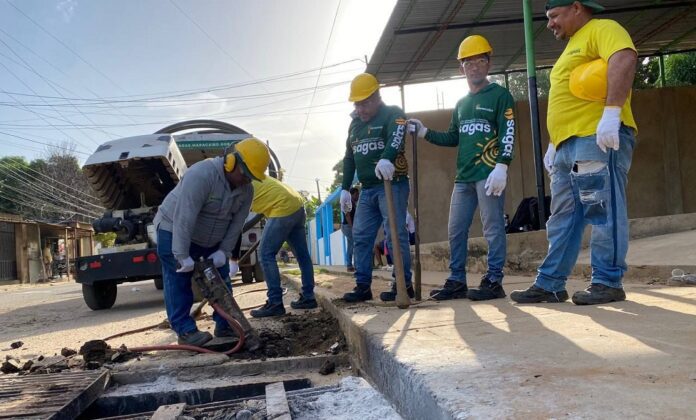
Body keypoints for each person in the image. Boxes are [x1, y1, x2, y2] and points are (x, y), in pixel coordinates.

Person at [511, 0, 638, 305]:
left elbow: (624, 58)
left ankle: (607, 281)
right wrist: (556, 142)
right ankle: (551, 283)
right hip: (568, 144)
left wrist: (611, 112)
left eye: (554, 16)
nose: (550, 23)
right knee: (563, 216)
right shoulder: (572, 47)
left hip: (596, 136)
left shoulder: (602, 29)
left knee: (602, 208)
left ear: (577, 7)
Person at [409, 35, 516, 301]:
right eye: (469, 62)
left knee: (493, 228)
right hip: (464, 178)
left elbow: (508, 132)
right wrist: (424, 132)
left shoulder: (501, 96)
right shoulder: (461, 104)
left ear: (489, 64)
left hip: (489, 175)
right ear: (461, 69)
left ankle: (494, 280)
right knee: (456, 230)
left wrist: (502, 165)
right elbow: (453, 137)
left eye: (480, 60)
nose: (475, 67)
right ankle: (457, 280)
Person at [154, 137, 270, 346]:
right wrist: (181, 255)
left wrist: (223, 252)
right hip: (174, 231)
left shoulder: (246, 190)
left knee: (222, 279)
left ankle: (225, 326)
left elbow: (237, 224)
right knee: (179, 281)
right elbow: (184, 217)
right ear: (231, 161)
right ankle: (185, 331)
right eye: (245, 174)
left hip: (209, 238)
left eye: (252, 177)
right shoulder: (201, 175)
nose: (247, 180)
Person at [339, 73, 413, 303]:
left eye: (364, 103)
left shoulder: (393, 113)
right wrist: (344, 187)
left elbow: (396, 137)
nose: (360, 109)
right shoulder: (355, 124)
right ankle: (362, 285)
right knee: (360, 236)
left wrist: (388, 157)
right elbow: (349, 157)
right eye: (356, 104)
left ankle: (403, 284)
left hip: (392, 185)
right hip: (368, 189)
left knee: (394, 235)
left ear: (376, 96)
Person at [248, 176, 317, 318]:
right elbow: (259, 215)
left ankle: (275, 303)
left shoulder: (240, 185)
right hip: (297, 205)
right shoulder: (255, 177)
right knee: (303, 256)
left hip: (283, 207)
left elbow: (236, 219)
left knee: (265, 254)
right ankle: (309, 297)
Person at [341, 187, 359, 272]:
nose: (358, 196)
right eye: (356, 194)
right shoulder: (349, 203)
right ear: (351, 195)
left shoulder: (352, 203)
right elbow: (347, 215)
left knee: (350, 246)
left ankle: (349, 265)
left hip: (347, 226)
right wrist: (352, 227)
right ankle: (356, 265)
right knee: (354, 244)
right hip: (348, 227)